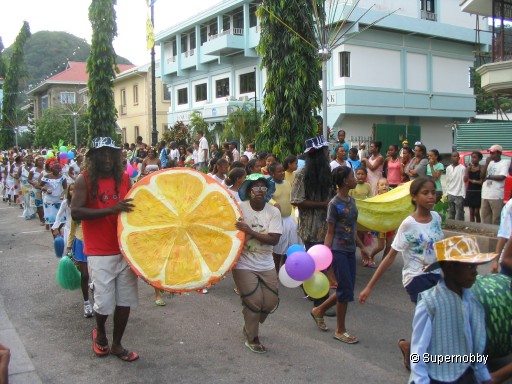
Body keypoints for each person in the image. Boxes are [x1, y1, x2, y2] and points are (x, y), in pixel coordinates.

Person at [359, 177, 444, 369]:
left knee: (434, 319)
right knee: (431, 316)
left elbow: (440, 249)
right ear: (414, 197)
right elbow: (390, 256)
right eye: (425, 193)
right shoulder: (408, 224)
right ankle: (419, 363)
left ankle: (410, 347)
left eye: (433, 192)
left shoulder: (437, 218)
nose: (431, 197)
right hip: (416, 277)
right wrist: (369, 287)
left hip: (436, 275)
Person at [71, 137, 139, 362]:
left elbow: (132, 211)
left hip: (124, 248)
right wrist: (111, 209)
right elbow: (76, 212)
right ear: (94, 157)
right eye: (103, 154)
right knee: (103, 302)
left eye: (112, 153)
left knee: (125, 301)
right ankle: (100, 331)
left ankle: (118, 344)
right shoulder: (85, 180)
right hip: (100, 251)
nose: (108, 158)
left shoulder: (125, 179)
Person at [409, 235, 494, 384]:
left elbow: (477, 343)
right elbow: (418, 352)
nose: (475, 272)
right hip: (438, 377)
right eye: (468, 266)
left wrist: (483, 376)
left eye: (475, 267)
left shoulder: (473, 301)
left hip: (466, 374)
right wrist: (421, 380)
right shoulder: (430, 302)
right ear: (449, 267)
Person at [310, 166, 370, 344]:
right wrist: (326, 257)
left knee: (347, 289)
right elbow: (330, 232)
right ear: (344, 181)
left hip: (350, 250)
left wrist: (362, 247)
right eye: (352, 176)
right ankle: (340, 330)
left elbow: (352, 229)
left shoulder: (352, 201)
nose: (355, 178)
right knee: (345, 290)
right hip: (338, 251)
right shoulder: (334, 204)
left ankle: (318, 310)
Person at [233, 174, 282, 354]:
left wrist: (250, 231)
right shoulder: (239, 209)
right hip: (243, 263)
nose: (260, 191)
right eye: (256, 188)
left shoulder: (273, 212)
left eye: (263, 188)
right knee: (254, 302)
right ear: (249, 191)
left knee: (270, 303)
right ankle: (251, 336)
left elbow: (274, 239)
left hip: (266, 262)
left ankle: (250, 317)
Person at [291, 135, 334, 311]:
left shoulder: (327, 173)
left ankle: (312, 290)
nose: (327, 154)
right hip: (310, 226)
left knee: (320, 262)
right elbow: (296, 200)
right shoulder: (302, 174)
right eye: (325, 151)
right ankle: (320, 300)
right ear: (317, 154)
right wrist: (322, 204)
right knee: (316, 263)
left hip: (326, 226)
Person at [64, 183, 94, 318]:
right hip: (80, 243)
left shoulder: (93, 208)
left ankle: (98, 301)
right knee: (85, 275)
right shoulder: (75, 211)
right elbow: (72, 230)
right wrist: (68, 247)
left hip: (94, 243)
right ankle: (87, 303)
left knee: (97, 274)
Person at [268, 161, 299, 272]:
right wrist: (274, 203)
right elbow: (267, 198)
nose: (282, 173)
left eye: (283, 171)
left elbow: (291, 197)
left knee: (290, 245)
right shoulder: (269, 184)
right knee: (277, 248)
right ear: (272, 173)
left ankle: (284, 267)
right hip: (277, 220)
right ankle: (275, 270)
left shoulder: (286, 183)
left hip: (289, 218)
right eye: (279, 171)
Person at [367, 178, 395, 268]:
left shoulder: (391, 196)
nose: (384, 186)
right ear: (378, 187)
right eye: (382, 185)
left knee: (389, 245)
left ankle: (383, 263)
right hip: (381, 225)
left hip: (390, 224)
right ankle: (370, 256)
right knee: (380, 246)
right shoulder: (376, 198)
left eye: (386, 184)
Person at [481, 144, 508, 225]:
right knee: (485, 217)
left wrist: (489, 176)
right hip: (485, 194)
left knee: (496, 218)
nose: (491, 155)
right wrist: (486, 164)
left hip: (496, 195)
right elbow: (482, 176)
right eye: (490, 153)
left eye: (493, 153)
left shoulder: (504, 163)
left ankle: (496, 236)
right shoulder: (489, 162)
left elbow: (502, 177)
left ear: (499, 153)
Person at [445, 151, 466, 221]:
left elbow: (463, 182)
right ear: (451, 158)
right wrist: (447, 192)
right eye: (454, 156)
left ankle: (459, 227)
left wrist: (463, 194)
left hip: (459, 193)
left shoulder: (462, 168)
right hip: (450, 193)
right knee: (451, 212)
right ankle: (451, 228)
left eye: (457, 156)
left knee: (459, 213)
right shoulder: (448, 168)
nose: (456, 158)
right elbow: (447, 181)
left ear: (459, 158)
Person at [464, 151, 484, 223]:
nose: (473, 159)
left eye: (475, 157)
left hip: (478, 191)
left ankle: (478, 227)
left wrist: (472, 180)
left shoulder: (481, 168)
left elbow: (481, 182)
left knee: (476, 212)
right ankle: (472, 227)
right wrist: (467, 170)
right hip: (470, 191)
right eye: (472, 157)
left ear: (480, 159)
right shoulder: (469, 168)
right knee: (471, 212)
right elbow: (465, 180)